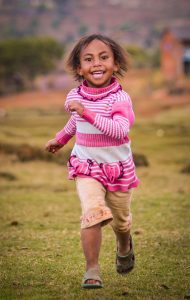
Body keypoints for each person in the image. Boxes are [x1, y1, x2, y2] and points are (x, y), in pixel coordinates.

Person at [45, 34, 139, 289]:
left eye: (103, 57)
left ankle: (124, 242)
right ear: (79, 68)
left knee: (121, 221)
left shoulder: (120, 99)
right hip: (87, 165)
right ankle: (92, 269)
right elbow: (76, 121)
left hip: (118, 168)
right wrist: (61, 139)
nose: (96, 63)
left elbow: (119, 131)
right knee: (92, 213)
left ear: (116, 64)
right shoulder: (75, 96)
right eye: (88, 59)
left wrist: (87, 112)